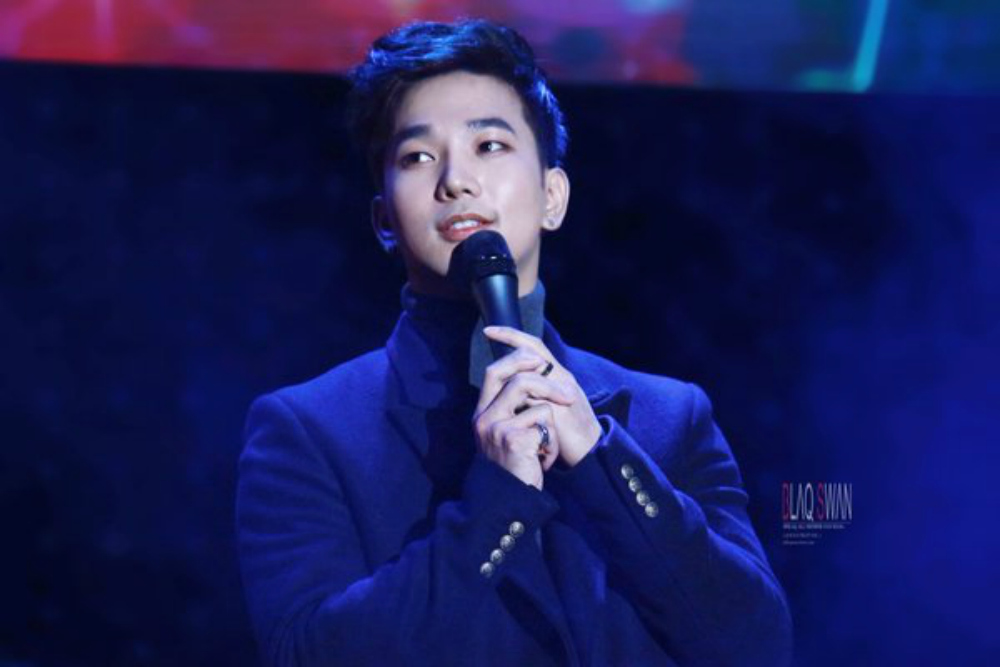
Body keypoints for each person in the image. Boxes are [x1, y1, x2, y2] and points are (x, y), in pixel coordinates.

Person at [236, 19, 792, 667]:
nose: (455, 180)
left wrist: (601, 460)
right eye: (418, 157)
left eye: (490, 145)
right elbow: (308, 656)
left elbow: (757, 645)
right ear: (384, 219)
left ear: (552, 196)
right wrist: (497, 500)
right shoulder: (308, 431)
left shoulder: (670, 417)